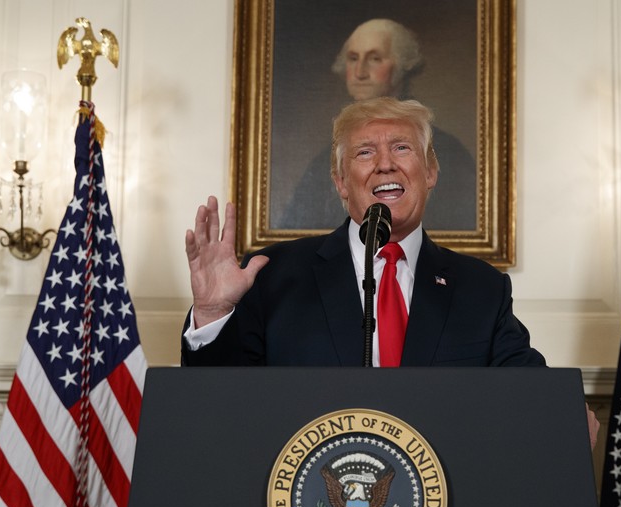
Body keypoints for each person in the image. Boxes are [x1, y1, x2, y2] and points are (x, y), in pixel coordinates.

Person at [183, 97, 600, 447]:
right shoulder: (274, 276)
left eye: (401, 148)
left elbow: (526, 384)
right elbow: (218, 405)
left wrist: (562, 412)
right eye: (365, 152)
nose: (384, 164)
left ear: (430, 171)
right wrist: (213, 313)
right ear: (341, 182)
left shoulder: (480, 288)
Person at [275, 19, 477, 231]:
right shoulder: (325, 159)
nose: (360, 72)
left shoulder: (448, 151)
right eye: (353, 59)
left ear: (402, 66)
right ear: (340, 181)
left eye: (374, 59)